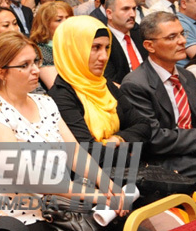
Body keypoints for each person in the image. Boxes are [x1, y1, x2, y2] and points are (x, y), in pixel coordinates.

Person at [0, 31, 146, 231]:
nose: (35, 70)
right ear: (2, 72)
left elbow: (73, 152)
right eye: (25, 65)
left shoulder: (45, 102)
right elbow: (34, 180)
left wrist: (108, 185)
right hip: (22, 214)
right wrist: (96, 196)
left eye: (36, 62)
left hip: (62, 203)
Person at [121, 12, 196, 197]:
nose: (182, 41)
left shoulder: (186, 76)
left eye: (182, 34)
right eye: (172, 37)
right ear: (149, 45)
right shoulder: (136, 84)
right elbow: (154, 139)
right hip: (166, 161)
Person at [48, 16, 151, 148]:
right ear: (74, 50)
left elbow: (143, 125)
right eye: (95, 47)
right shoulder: (61, 95)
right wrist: (131, 151)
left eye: (107, 48)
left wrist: (118, 139)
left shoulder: (104, 84)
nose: (104, 56)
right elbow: (87, 152)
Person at [29, 1, 72, 89]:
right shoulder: (40, 50)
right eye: (59, 20)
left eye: (68, 18)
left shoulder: (74, 44)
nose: (66, 22)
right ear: (45, 24)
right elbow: (55, 87)